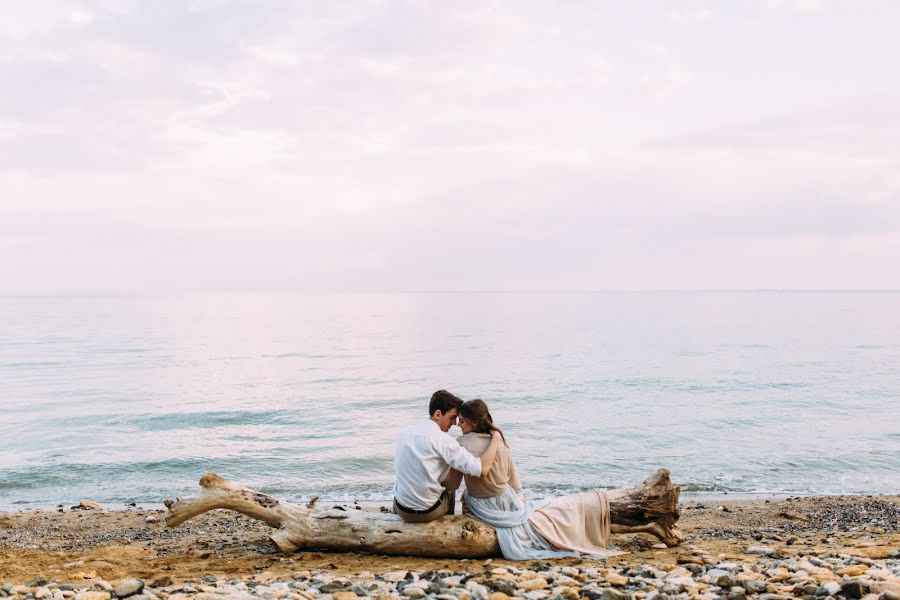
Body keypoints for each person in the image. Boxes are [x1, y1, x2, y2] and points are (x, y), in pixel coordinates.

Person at [444, 399, 619, 560]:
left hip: (483, 506)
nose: (458, 425)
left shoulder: (461, 443)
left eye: (462, 421)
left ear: (473, 422)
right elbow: (514, 482)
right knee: (534, 518)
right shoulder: (500, 441)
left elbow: (453, 484)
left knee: (467, 496)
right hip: (507, 499)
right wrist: (518, 503)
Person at [393, 390, 504, 523]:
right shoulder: (443, 440)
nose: (454, 423)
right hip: (426, 513)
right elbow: (481, 469)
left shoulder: (405, 433)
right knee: (450, 487)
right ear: (438, 414)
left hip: (400, 508)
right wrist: (496, 438)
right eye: (452, 417)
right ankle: (448, 522)